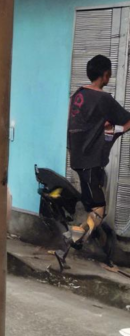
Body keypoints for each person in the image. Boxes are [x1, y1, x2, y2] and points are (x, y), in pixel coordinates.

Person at [68, 54, 130, 240]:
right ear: (105, 74)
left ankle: (82, 238)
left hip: (78, 159)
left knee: (92, 201)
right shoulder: (103, 99)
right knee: (99, 210)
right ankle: (74, 239)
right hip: (91, 161)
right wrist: (117, 128)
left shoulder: (77, 95)